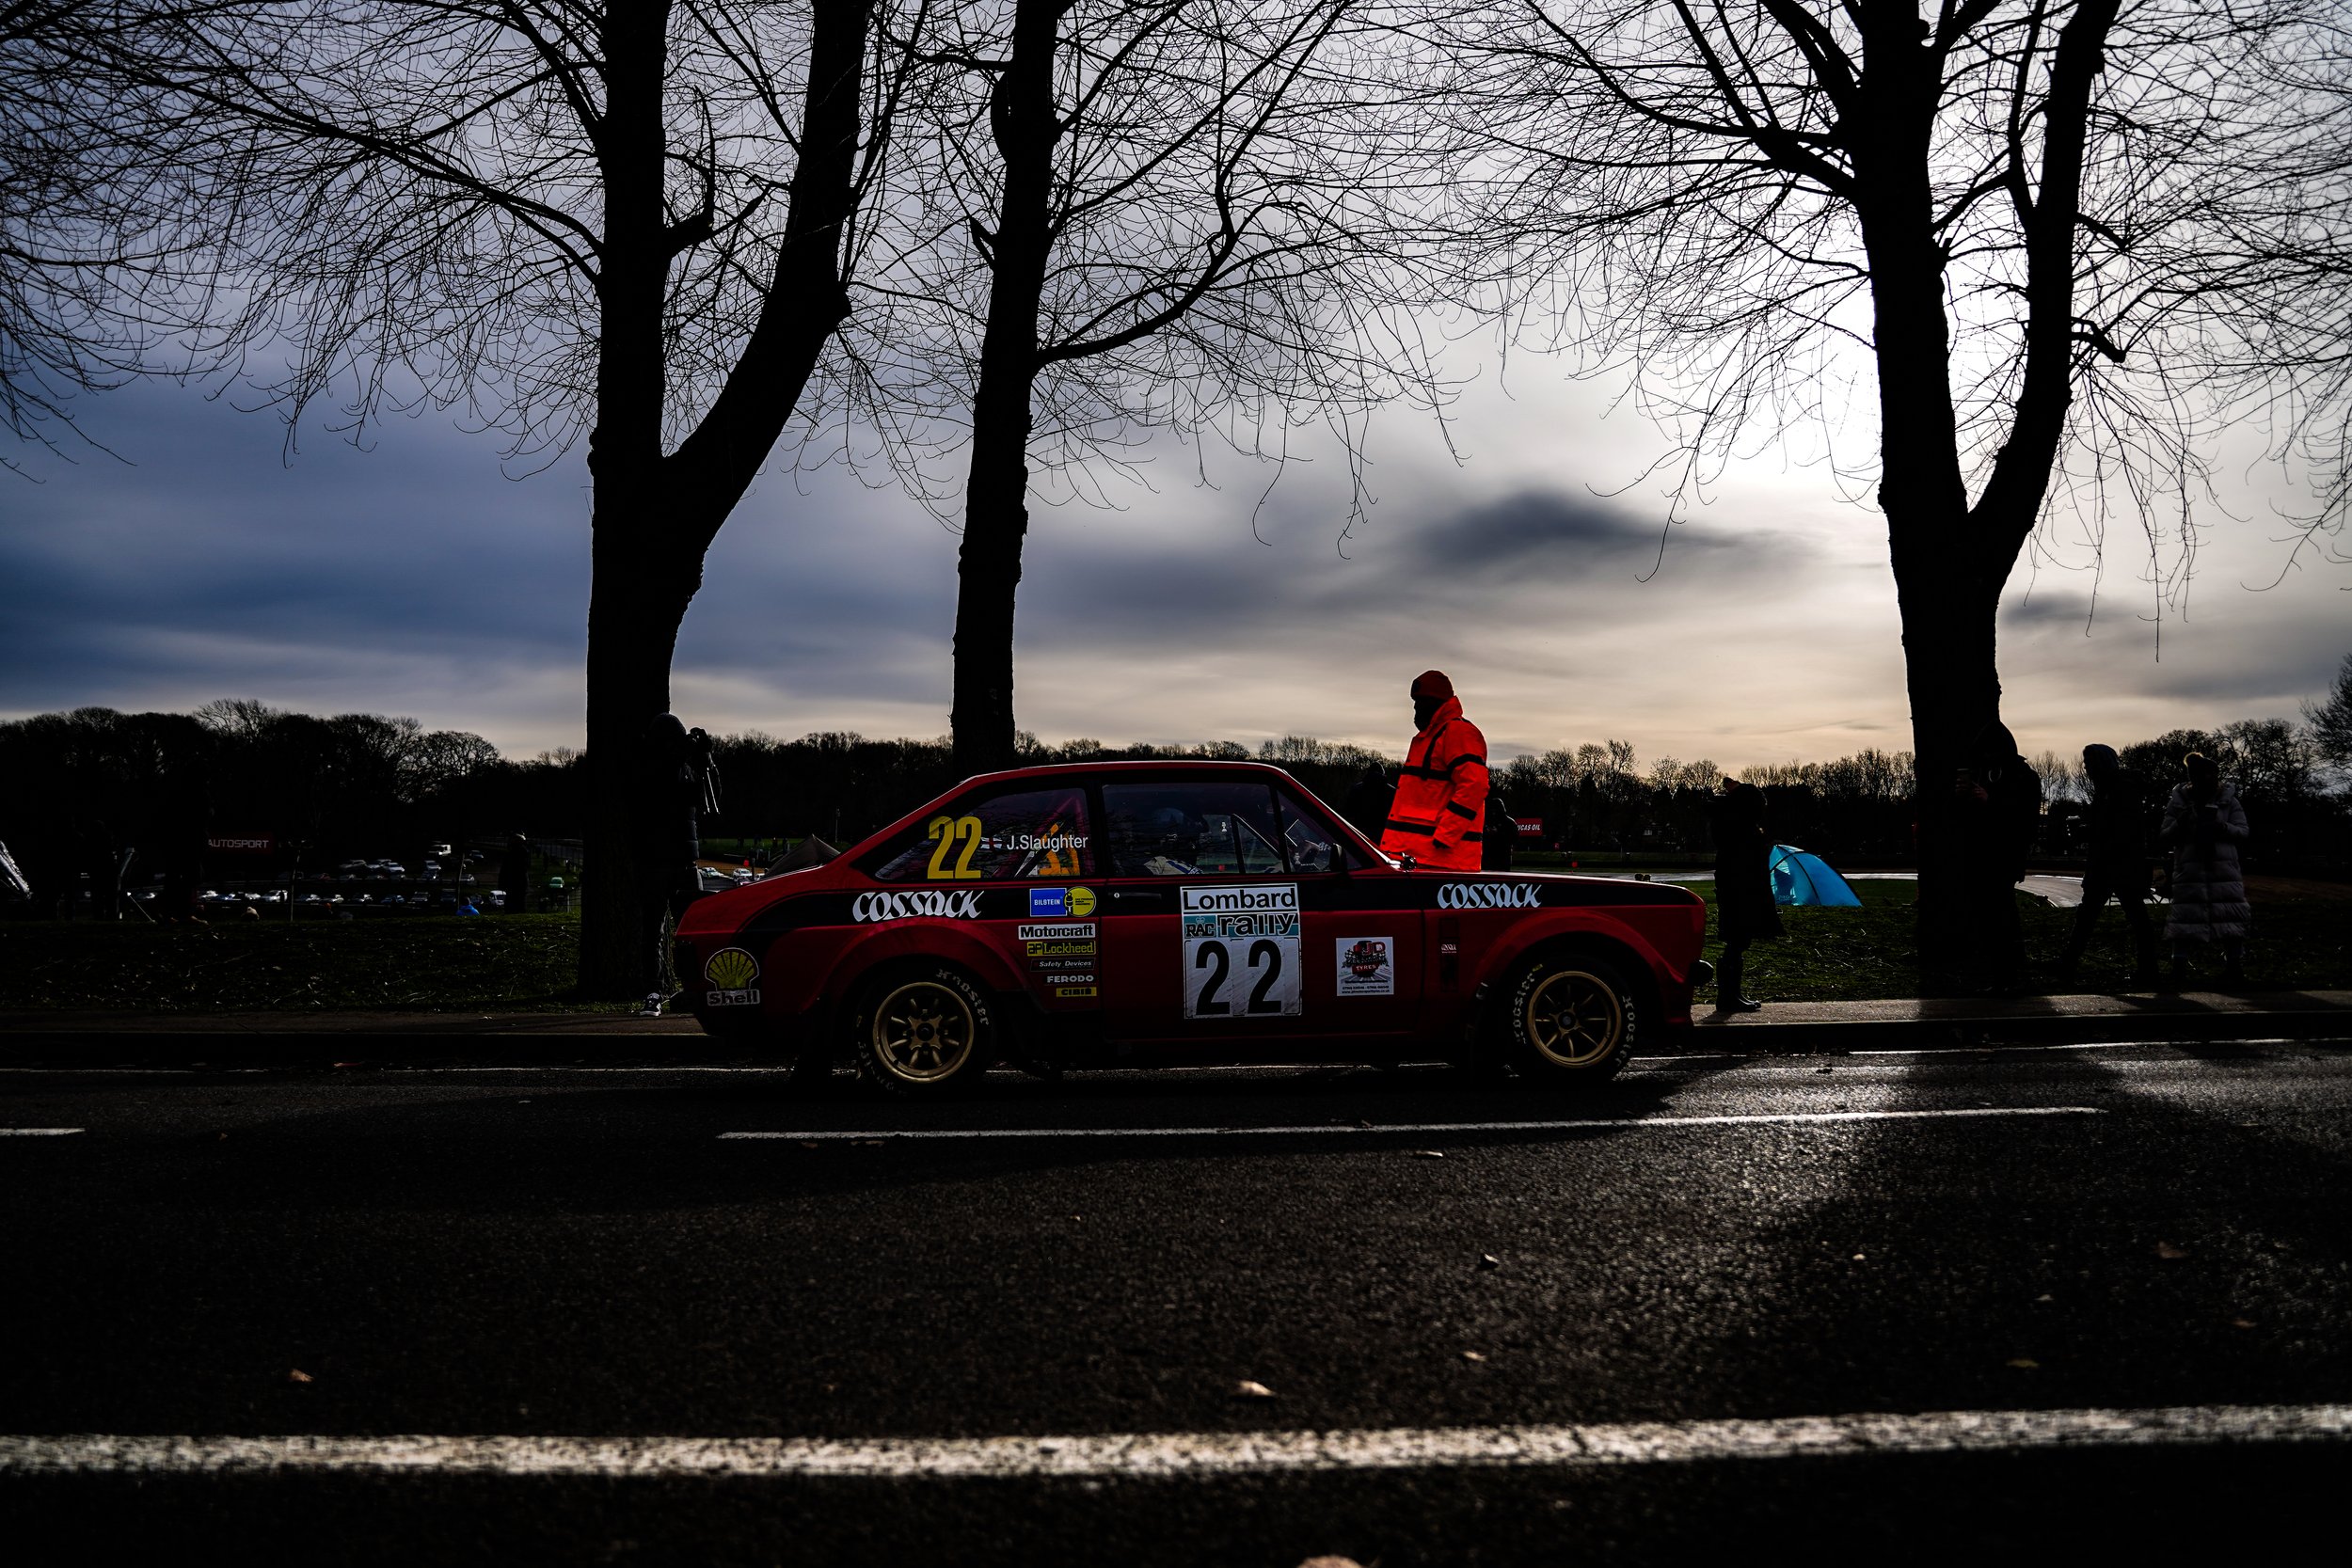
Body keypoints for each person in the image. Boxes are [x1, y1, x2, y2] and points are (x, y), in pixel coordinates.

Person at [2054, 743, 2156, 986]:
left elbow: (2118, 829)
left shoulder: (2119, 790)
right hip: (2114, 864)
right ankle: (2069, 964)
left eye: (2089, 763)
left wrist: (2086, 832)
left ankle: (2069, 965)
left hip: (2116, 864)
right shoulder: (2113, 788)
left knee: (2103, 917)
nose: (2086, 768)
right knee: (2101, 916)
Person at [1953, 721, 2042, 992]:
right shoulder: (1988, 772)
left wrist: (1989, 802)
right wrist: (1964, 798)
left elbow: (2023, 818)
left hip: (2003, 855)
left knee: (2001, 916)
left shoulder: (2022, 776)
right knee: (1992, 917)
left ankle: (2009, 975)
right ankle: (2003, 974)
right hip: (1984, 855)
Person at [1379, 671, 1488, 872]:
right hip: (1419, 857)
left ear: (1434, 702)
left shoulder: (1458, 732)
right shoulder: (1432, 736)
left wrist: (1446, 835)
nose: (1415, 707)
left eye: (1420, 701)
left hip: (1439, 860)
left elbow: (1475, 785)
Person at [2160, 751, 2250, 985]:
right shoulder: (2179, 803)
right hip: (2191, 870)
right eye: (2200, 775)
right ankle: (2179, 969)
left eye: (2210, 775)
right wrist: (2181, 822)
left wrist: (2221, 827)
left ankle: (2233, 968)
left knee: (2229, 918)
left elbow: (2243, 832)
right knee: (2184, 920)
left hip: (2222, 870)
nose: (2206, 779)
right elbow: (2165, 835)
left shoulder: (2229, 801)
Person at [1708, 779, 1781, 1012]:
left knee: (1737, 941)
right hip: (1741, 892)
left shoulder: (1731, 824)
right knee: (1737, 940)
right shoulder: (1740, 829)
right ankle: (1728, 997)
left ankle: (1730, 995)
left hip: (1737, 890)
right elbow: (1747, 862)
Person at [1342, 763, 1390, 843]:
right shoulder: (1391, 792)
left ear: (1368, 772)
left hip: (1359, 833)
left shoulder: (1356, 789)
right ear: (1383, 773)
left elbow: (1348, 812)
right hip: (1382, 835)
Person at [498, 832, 532, 914]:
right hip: (520, 883)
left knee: (511, 901)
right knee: (520, 902)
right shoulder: (525, 853)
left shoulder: (510, 854)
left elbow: (504, 869)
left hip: (512, 882)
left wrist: (501, 883)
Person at [1483, 784, 1515, 871]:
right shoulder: (1487, 820)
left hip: (1502, 858)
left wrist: (1498, 833)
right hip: (1489, 858)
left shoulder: (1509, 822)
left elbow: (1514, 838)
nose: (1493, 812)